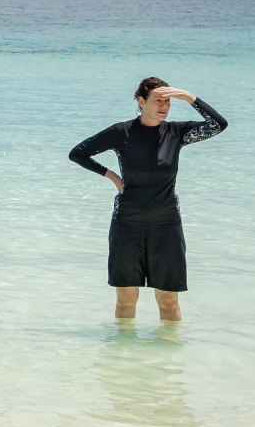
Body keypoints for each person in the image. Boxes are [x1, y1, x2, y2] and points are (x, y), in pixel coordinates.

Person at [69, 77, 228, 322]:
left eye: (168, 101)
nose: (164, 106)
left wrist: (189, 97)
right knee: (125, 299)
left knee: (168, 301)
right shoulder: (121, 132)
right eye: (158, 100)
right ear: (141, 102)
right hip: (127, 223)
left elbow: (218, 124)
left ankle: (168, 358)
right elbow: (78, 153)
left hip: (166, 224)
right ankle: (123, 357)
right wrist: (110, 175)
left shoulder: (177, 132)